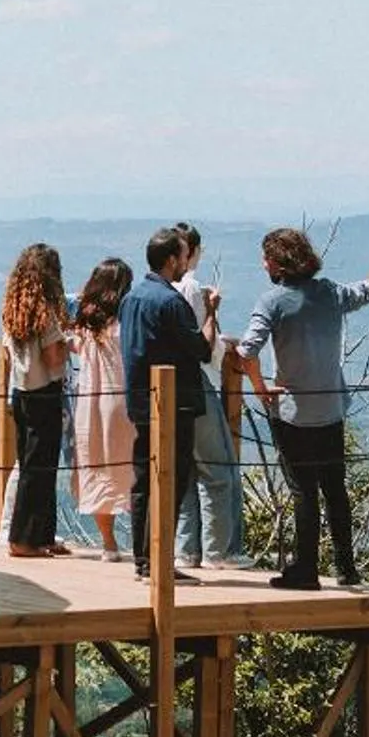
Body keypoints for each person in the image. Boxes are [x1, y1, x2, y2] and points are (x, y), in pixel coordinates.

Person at [229, 226, 369, 591]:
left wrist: (260, 389)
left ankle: (305, 570)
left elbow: (246, 352)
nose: (263, 264)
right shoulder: (330, 293)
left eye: (267, 258)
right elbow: (364, 293)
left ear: (280, 263)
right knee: (334, 489)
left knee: (303, 491)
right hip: (331, 407)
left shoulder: (272, 302)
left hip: (293, 412)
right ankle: (346, 568)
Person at [118, 226, 210, 582]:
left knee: (143, 481)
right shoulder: (172, 302)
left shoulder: (132, 297)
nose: (187, 261)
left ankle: (143, 561)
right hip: (174, 404)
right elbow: (200, 351)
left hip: (140, 401)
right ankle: (159, 561)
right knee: (170, 481)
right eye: (185, 255)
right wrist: (211, 315)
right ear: (172, 260)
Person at [167, 223, 244, 569]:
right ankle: (219, 551)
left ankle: (186, 550)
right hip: (200, 383)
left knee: (184, 472)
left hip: (171, 387)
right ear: (194, 252)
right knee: (218, 470)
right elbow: (203, 344)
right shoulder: (192, 287)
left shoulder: (160, 288)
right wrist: (212, 309)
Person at [1, 242, 75, 557]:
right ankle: (22, 539)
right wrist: (69, 345)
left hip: (21, 391)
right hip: (45, 391)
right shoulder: (45, 313)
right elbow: (54, 358)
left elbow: (7, 352)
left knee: (34, 465)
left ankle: (41, 535)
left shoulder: (13, 310)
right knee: (39, 469)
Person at [67, 257, 135, 560]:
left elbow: (78, 346)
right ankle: (147, 541)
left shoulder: (86, 319)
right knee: (134, 467)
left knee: (96, 465)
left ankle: (109, 544)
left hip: (89, 402)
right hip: (122, 397)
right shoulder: (127, 319)